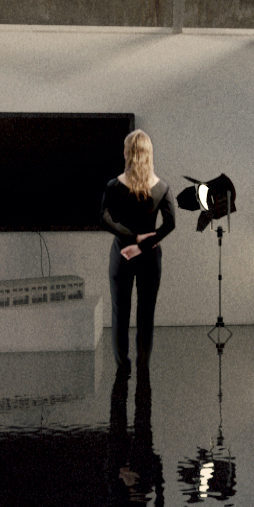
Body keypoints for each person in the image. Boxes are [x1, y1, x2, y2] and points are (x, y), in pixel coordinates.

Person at [100, 130, 175, 370]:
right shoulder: (162, 187)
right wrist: (143, 244)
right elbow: (170, 224)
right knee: (146, 316)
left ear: (127, 153)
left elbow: (104, 219)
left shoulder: (113, 186)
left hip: (121, 255)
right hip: (150, 258)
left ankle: (123, 368)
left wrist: (132, 239)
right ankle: (143, 367)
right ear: (149, 154)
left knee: (120, 315)